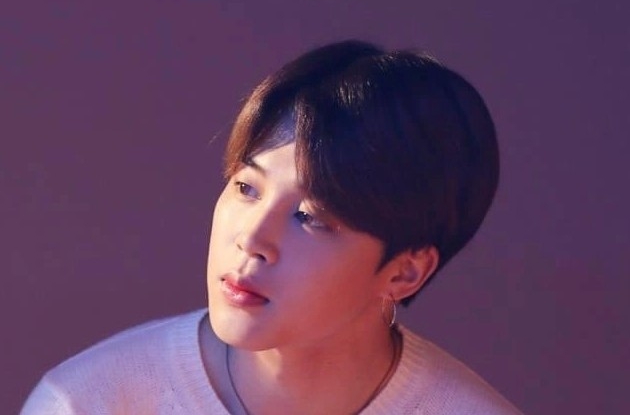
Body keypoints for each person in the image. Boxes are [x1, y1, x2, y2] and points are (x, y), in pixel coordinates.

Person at [22, 40, 523, 414]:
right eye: (246, 188)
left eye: (311, 217)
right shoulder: (90, 401)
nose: (252, 239)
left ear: (405, 272)